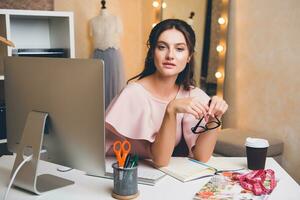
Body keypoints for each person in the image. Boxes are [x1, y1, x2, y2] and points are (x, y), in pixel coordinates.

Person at [105, 19, 228, 167]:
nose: (170, 55)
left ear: (189, 56)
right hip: (122, 172)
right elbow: (160, 160)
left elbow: (201, 157)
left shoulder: (193, 95)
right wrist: (171, 110)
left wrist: (215, 116)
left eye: (180, 49)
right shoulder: (133, 94)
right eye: (162, 47)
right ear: (152, 53)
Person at [89, 0, 125, 109]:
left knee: (114, 85)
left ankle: (113, 115)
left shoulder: (116, 19)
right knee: (98, 86)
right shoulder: (92, 21)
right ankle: (99, 116)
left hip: (113, 56)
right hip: (97, 56)